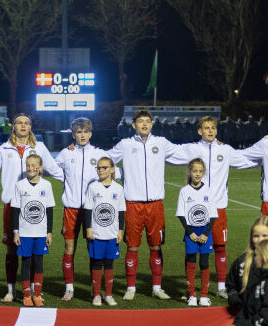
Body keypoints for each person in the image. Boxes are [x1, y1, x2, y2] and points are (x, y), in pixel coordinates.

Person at [170, 116, 256, 298]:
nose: (210, 131)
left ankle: (221, 287)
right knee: (192, 250)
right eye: (206, 128)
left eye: (213, 128)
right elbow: (169, 154)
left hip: (218, 208)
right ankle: (190, 287)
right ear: (199, 131)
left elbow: (247, 159)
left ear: (216, 130)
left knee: (220, 247)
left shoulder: (225, 150)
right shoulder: (192, 149)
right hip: (194, 211)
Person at [106, 109, 187, 300]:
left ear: (151, 124)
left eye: (147, 121)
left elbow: (184, 151)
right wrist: (120, 174)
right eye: (140, 121)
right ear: (133, 125)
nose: (144, 124)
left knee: (156, 247)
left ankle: (156, 287)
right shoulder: (125, 144)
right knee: (132, 247)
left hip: (155, 205)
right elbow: (106, 159)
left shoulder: (161, 143)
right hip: (132, 204)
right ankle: (131, 288)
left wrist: (208, 146)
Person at [0, 114, 63, 303]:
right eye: (19, 123)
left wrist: (78, 183)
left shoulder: (39, 147)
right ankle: (10, 289)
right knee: (12, 250)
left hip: (36, 205)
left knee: (34, 252)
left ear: (30, 127)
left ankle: (33, 290)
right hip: (12, 206)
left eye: (26, 123)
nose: (23, 126)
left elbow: (54, 170)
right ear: (13, 127)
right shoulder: (3, 149)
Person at [55, 117, 115, 300]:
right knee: (69, 247)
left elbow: (115, 172)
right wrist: (67, 181)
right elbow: (53, 169)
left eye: (85, 132)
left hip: (93, 210)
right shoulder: (66, 153)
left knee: (93, 250)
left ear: (90, 133)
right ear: (73, 134)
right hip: (71, 208)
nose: (82, 135)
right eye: (78, 132)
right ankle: (69, 288)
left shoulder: (99, 154)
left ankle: (94, 288)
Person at [12, 154, 55, 307]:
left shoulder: (47, 185)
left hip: (41, 233)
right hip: (24, 233)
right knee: (25, 263)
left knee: (38, 263)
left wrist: (49, 232)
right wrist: (16, 231)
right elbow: (15, 210)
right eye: (28, 165)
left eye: (34, 165)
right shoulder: (20, 185)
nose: (31, 168)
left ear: (40, 168)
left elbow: (49, 211)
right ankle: (26, 296)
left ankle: (37, 295)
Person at [226, 216, 268, 308]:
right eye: (256, 236)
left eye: (265, 236)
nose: (260, 240)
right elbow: (231, 288)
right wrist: (239, 302)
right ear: (251, 237)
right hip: (246, 317)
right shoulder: (241, 262)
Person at [84, 157, 125, 306]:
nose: (100, 170)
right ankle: (96, 294)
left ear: (112, 169)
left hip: (112, 233)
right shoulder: (93, 187)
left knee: (109, 264)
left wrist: (120, 231)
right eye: (98, 168)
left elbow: (121, 211)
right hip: (96, 233)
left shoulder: (118, 188)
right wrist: (88, 228)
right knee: (96, 263)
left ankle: (108, 294)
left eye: (104, 167)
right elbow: (88, 209)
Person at [176, 158, 218, 307]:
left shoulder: (209, 191)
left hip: (206, 231)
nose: (197, 174)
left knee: (205, 262)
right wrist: (190, 233)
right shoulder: (184, 191)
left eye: (200, 171)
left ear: (204, 172)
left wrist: (206, 233)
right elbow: (181, 215)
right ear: (190, 172)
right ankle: (192, 294)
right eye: (195, 171)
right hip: (191, 232)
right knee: (191, 261)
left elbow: (213, 215)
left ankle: (204, 296)